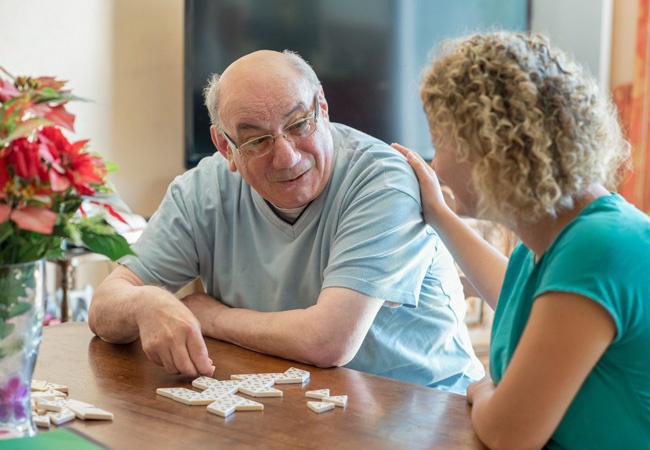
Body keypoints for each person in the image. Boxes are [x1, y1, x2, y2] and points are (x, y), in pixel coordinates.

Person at [89, 49, 484, 393]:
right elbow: (105, 305)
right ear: (225, 146)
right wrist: (145, 301)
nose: (287, 157)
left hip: (427, 413)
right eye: (257, 140)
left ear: (323, 108)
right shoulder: (200, 190)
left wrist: (211, 316)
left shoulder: (384, 180)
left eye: (298, 125)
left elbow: (329, 342)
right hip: (291, 409)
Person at [393, 31, 650, 449]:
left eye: (440, 143)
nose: (435, 161)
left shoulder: (599, 247)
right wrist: (438, 212)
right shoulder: (560, 238)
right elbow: (512, 291)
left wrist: (481, 387)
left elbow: (509, 434)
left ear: (491, 149)